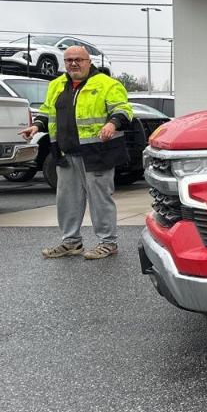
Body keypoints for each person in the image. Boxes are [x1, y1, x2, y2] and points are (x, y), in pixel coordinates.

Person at [19, 46, 134, 260]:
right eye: (69, 60)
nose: (73, 63)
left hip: (98, 152)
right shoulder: (56, 86)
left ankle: (108, 243)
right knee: (67, 200)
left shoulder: (107, 84)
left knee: (100, 199)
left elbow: (124, 109)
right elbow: (46, 112)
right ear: (64, 63)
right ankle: (71, 242)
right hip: (65, 152)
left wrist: (113, 124)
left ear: (88, 62)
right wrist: (36, 126)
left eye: (78, 59)